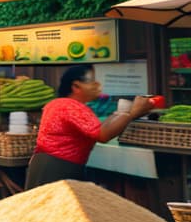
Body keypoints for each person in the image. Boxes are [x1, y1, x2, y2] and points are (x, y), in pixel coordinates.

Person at [25, 66, 153, 189]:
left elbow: (101, 127)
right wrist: (131, 114)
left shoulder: (58, 104)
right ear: (76, 86)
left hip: (46, 167)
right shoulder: (70, 105)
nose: (97, 84)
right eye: (91, 80)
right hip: (56, 169)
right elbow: (102, 134)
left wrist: (127, 113)